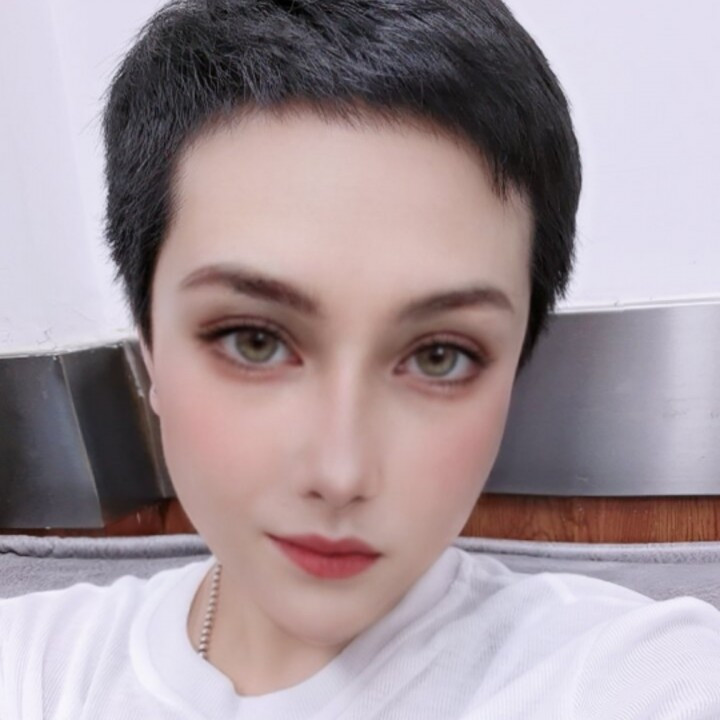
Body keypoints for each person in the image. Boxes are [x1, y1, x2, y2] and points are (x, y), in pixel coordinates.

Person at [2, 0, 720, 718]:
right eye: (254, 340)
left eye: (439, 356)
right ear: (150, 346)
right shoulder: (36, 662)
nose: (340, 474)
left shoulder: (624, 672)